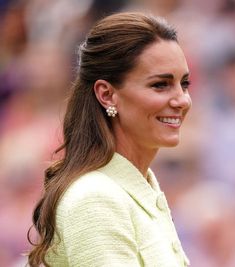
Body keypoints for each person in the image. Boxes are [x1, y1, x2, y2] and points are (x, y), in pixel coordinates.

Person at [27, 12, 192, 267]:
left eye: (184, 84)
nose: (182, 100)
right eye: (160, 85)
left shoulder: (140, 184)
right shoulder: (96, 197)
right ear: (106, 94)